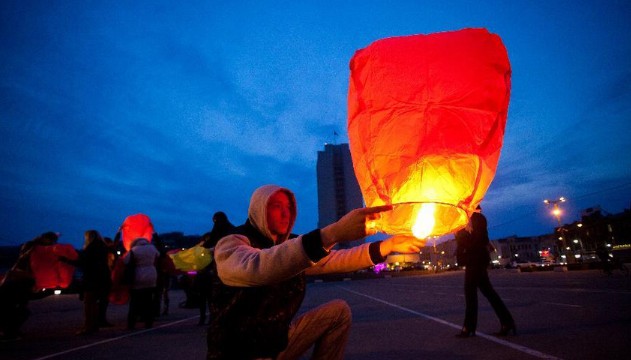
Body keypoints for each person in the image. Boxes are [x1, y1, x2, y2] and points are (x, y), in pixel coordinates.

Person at [207, 184, 424, 359]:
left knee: (338, 311)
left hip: (278, 342)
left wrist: (388, 245)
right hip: (239, 351)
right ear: (259, 210)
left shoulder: (293, 247)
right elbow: (258, 267)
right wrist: (334, 232)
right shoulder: (233, 242)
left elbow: (334, 259)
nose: (285, 213)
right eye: (276, 206)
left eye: (289, 207)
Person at [455, 206, 515, 338]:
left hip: (476, 260)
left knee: (470, 293)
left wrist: (462, 237)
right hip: (473, 260)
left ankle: (468, 327)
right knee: (488, 292)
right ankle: (507, 322)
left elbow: (480, 240)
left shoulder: (477, 219)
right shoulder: (463, 221)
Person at [63, 230, 112, 335]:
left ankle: (89, 326)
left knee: (89, 303)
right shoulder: (103, 247)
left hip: (92, 278)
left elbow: (83, 262)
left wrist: (66, 260)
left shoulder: (90, 249)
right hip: (103, 277)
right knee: (95, 303)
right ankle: (95, 324)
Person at [196, 212, 236, 325]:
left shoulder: (219, 233)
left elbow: (209, 244)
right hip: (229, 267)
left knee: (213, 296)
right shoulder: (232, 231)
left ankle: (211, 317)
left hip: (220, 268)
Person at [122, 220, 160, 330]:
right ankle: (149, 322)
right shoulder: (152, 248)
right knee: (148, 301)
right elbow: (158, 256)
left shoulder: (133, 250)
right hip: (151, 275)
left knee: (135, 302)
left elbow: (126, 262)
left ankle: (131, 323)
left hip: (138, 276)